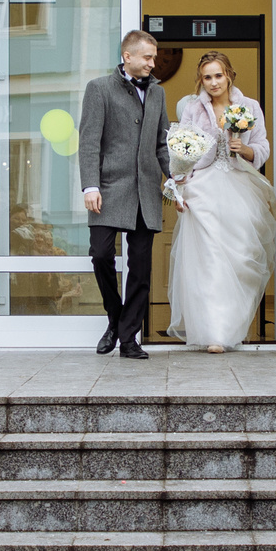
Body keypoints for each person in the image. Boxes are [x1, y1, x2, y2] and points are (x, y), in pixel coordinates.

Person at [164, 50, 276, 352]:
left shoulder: (249, 106)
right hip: (203, 188)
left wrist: (246, 150)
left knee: (240, 259)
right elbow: (182, 151)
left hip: (239, 187)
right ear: (201, 80)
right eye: (207, 77)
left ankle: (230, 329)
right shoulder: (192, 108)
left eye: (218, 75)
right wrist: (177, 187)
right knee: (210, 261)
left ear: (229, 75)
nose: (213, 82)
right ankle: (214, 333)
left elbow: (263, 146)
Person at [77, 27, 176, 359]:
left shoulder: (159, 94)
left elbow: (162, 143)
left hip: (145, 190)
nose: (152, 63)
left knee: (141, 268)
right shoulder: (99, 88)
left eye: (154, 57)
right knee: (101, 254)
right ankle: (115, 317)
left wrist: (175, 180)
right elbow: (89, 142)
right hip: (107, 188)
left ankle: (129, 339)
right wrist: (90, 185)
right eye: (147, 57)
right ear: (128, 56)